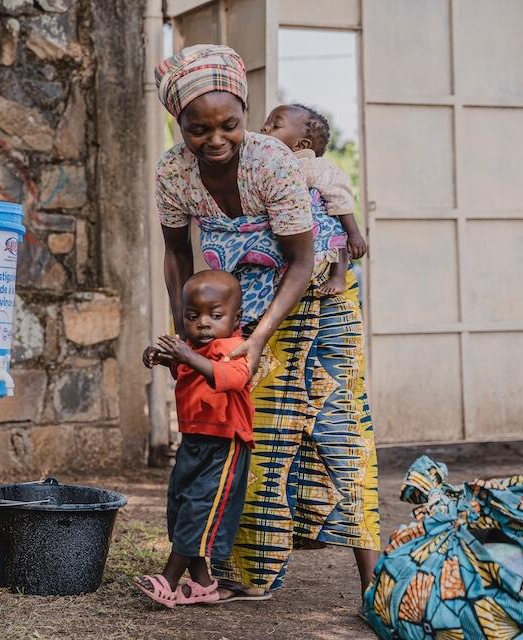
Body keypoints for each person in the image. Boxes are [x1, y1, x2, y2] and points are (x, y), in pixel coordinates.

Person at [154, 44, 380, 603]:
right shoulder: (172, 173)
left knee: (339, 425)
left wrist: (257, 341)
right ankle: (249, 575)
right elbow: (178, 254)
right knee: (256, 435)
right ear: (178, 124)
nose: (214, 140)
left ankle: (375, 580)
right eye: (197, 129)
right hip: (233, 307)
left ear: (246, 116)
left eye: (229, 125)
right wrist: (186, 335)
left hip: (313, 299)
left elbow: (301, 261)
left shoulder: (271, 162)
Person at [135, 270, 256, 607]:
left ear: (236, 318)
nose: (203, 323)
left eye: (215, 316)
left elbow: (228, 378)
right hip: (192, 442)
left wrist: (187, 355)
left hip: (224, 445)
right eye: (193, 315)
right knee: (181, 504)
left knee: (198, 510)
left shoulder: (236, 349)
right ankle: (202, 583)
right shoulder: (192, 348)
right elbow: (185, 371)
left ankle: (169, 580)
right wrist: (163, 358)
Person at [261, 104, 367, 295]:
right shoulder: (265, 165)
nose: (264, 128)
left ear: (300, 145)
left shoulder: (314, 165)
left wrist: (354, 233)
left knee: (335, 230)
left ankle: (338, 276)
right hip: (291, 234)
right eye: (266, 124)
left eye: (275, 126)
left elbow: (340, 196)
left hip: (319, 229)